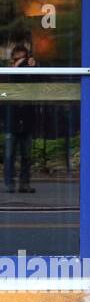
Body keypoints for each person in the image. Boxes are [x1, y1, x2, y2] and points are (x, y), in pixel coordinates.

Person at [4, 43, 35, 195]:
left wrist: (34, 69)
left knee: (26, 156)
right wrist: (15, 68)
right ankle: (9, 184)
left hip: (27, 119)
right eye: (18, 58)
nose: (21, 62)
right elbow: (7, 89)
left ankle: (24, 184)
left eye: (23, 58)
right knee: (9, 155)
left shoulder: (29, 71)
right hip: (11, 119)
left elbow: (40, 85)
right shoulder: (7, 71)